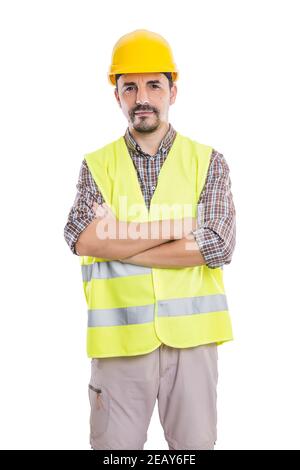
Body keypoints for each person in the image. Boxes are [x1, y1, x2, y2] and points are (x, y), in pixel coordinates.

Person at [63, 29, 236, 450]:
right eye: (130, 87)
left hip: (192, 347)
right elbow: (82, 238)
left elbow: (217, 245)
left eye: (154, 85)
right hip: (119, 343)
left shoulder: (208, 162)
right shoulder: (96, 165)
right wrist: (178, 227)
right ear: (117, 95)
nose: (142, 96)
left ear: (173, 91)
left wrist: (117, 241)